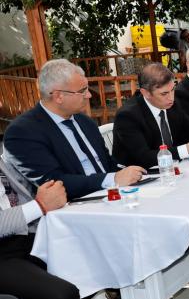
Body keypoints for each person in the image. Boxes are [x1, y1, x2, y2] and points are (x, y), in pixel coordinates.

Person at [3, 59, 145, 199]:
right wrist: (112, 179)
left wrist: (133, 174)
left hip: (113, 195)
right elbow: (53, 184)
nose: (89, 95)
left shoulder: (84, 121)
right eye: (83, 90)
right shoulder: (23, 132)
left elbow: (108, 164)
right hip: (72, 206)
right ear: (58, 96)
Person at [0, 177, 82, 299]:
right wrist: (39, 206)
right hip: (3, 255)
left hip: (28, 237)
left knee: (90, 259)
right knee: (64, 297)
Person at [112, 64, 189, 169]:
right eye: (164, 93)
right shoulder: (127, 116)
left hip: (173, 168)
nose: (171, 98)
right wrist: (187, 149)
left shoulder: (172, 104)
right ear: (146, 93)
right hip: (140, 174)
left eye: (172, 90)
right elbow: (144, 158)